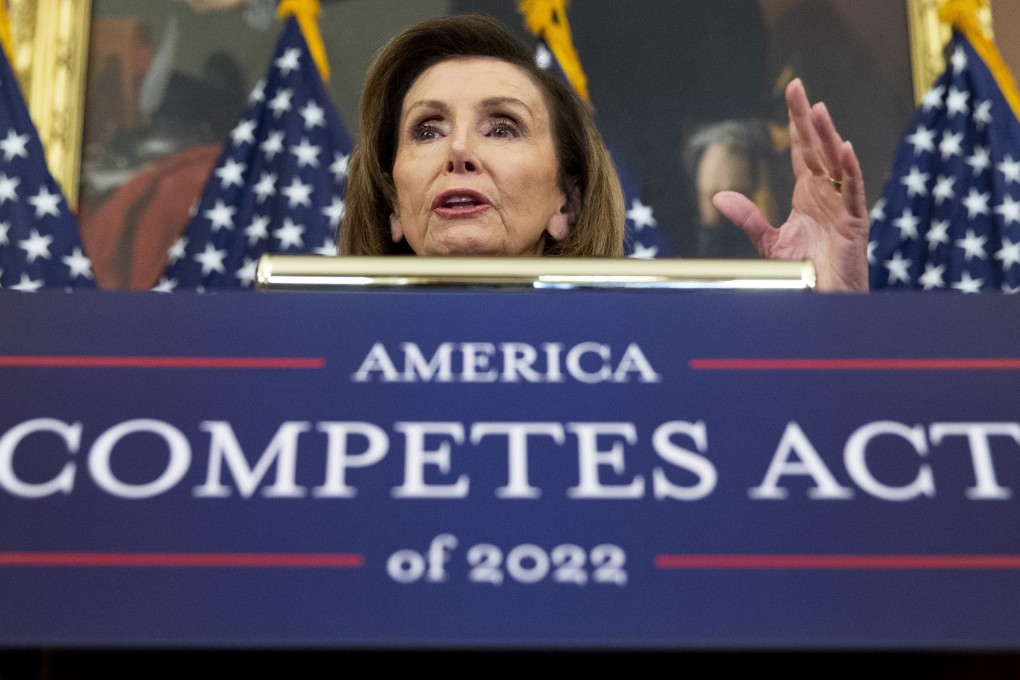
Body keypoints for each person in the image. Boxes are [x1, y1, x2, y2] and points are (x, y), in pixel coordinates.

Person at [339, 13, 870, 292]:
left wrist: (829, 319)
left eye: (502, 128)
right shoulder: (314, 373)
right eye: (427, 131)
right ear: (393, 208)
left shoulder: (656, 372)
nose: (458, 151)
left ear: (566, 205)